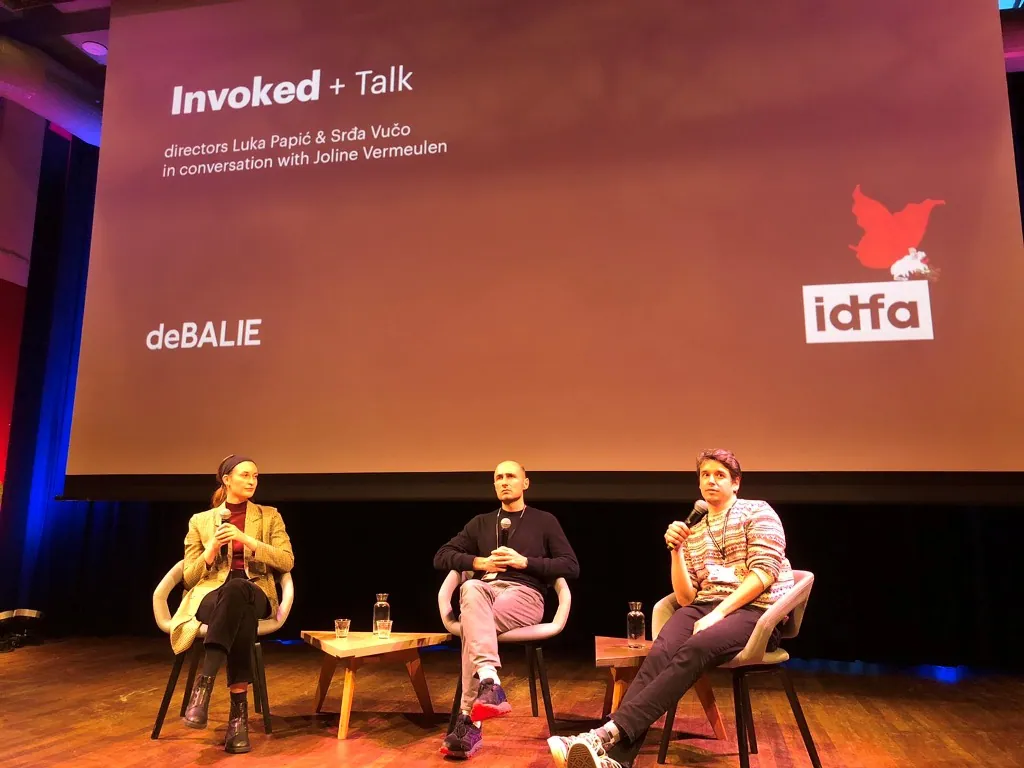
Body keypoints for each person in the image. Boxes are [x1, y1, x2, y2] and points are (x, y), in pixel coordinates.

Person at [548, 449, 794, 768]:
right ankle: (619, 760)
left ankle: (602, 735)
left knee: (695, 647)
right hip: (704, 606)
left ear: (736, 483)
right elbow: (687, 597)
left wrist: (719, 614)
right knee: (660, 652)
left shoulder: (757, 511)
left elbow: (764, 573)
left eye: (720, 475)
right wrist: (676, 551)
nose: (711, 481)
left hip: (756, 612)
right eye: (705, 475)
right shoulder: (695, 530)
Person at [433, 460, 580, 759]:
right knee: (471, 588)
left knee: (473, 623)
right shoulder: (481, 522)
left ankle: (468, 721)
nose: (504, 481)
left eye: (511, 476)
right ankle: (490, 682)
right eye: (499, 477)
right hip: (484, 594)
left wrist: (524, 562)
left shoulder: (544, 521)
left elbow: (570, 566)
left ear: (525, 483)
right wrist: (480, 562)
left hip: (525, 596)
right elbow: (442, 556)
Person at [169, 455, 294, 754]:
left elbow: (287, 560)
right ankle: (238, 719)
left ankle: (204, 687)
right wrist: (211, 549)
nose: (252, 481)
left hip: (256, 590)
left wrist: (247, 540)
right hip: (211, 595)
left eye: (255, 476)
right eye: (245, 475)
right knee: (240, 613)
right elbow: (189, 578)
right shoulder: (200, 521)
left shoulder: (269, 516)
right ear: (226, 480)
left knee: (239, 589)